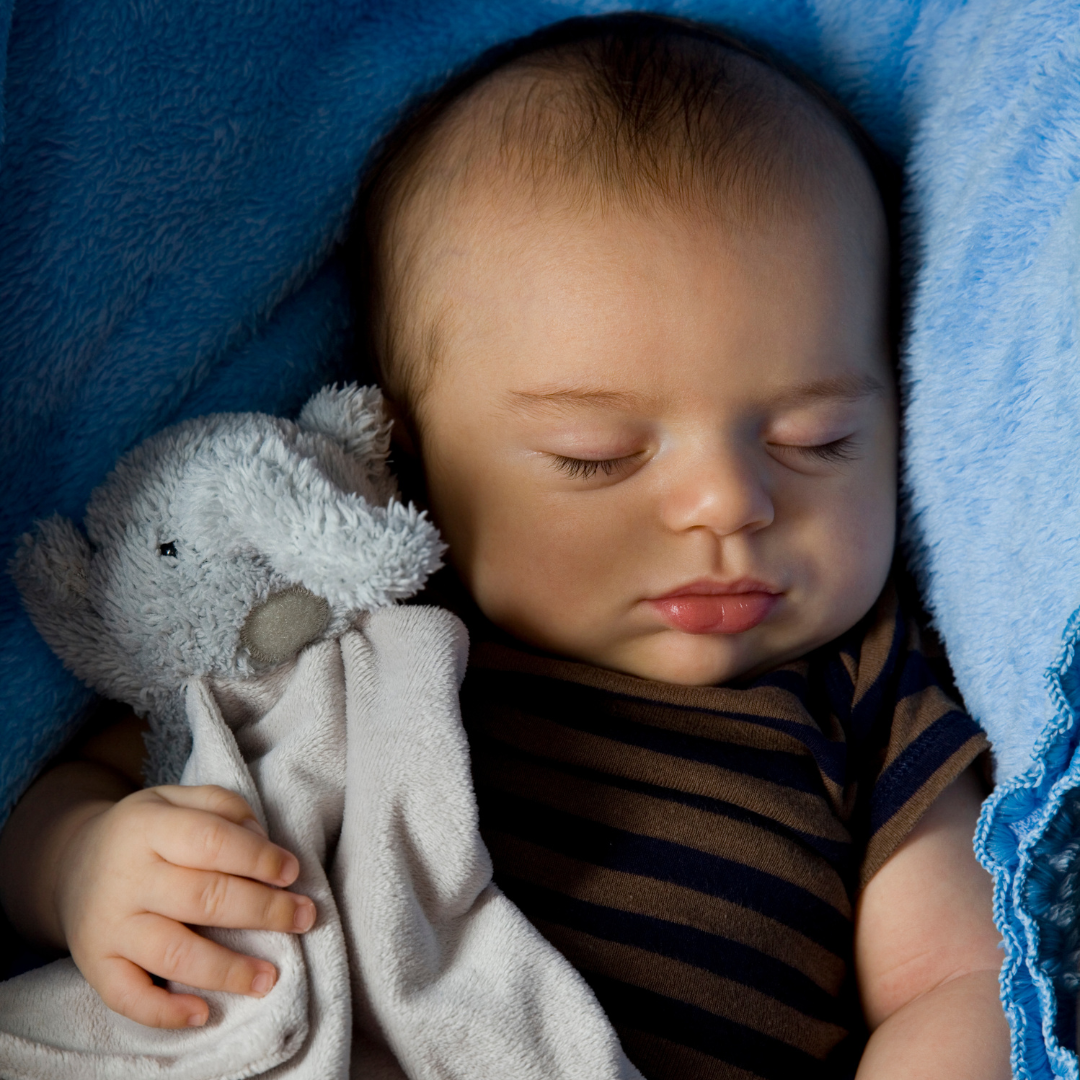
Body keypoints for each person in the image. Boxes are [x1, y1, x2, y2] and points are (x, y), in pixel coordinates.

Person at [0, 14, 1009, 1079]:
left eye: (817, 441)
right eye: (597, 456)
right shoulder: (342, 612)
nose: (727, 504)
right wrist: (84, 868)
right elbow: (71, 796)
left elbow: (956, 983)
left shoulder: (871, 695)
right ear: (414, 453)